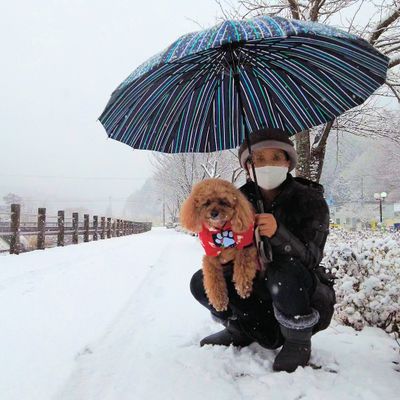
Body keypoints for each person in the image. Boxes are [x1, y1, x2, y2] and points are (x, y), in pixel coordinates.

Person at [189, 128, 336, 373]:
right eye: (258, 158)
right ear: (247, 166)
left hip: (297, 292)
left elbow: (312, 258)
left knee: (283, 272)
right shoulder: (235, 198)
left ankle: (297, 340)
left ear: (288, 161)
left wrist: (279, 233)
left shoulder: (310, 199)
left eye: (276, 157)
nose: (268, 164)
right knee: (201, 281)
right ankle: (239, 329)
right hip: (256, 289)